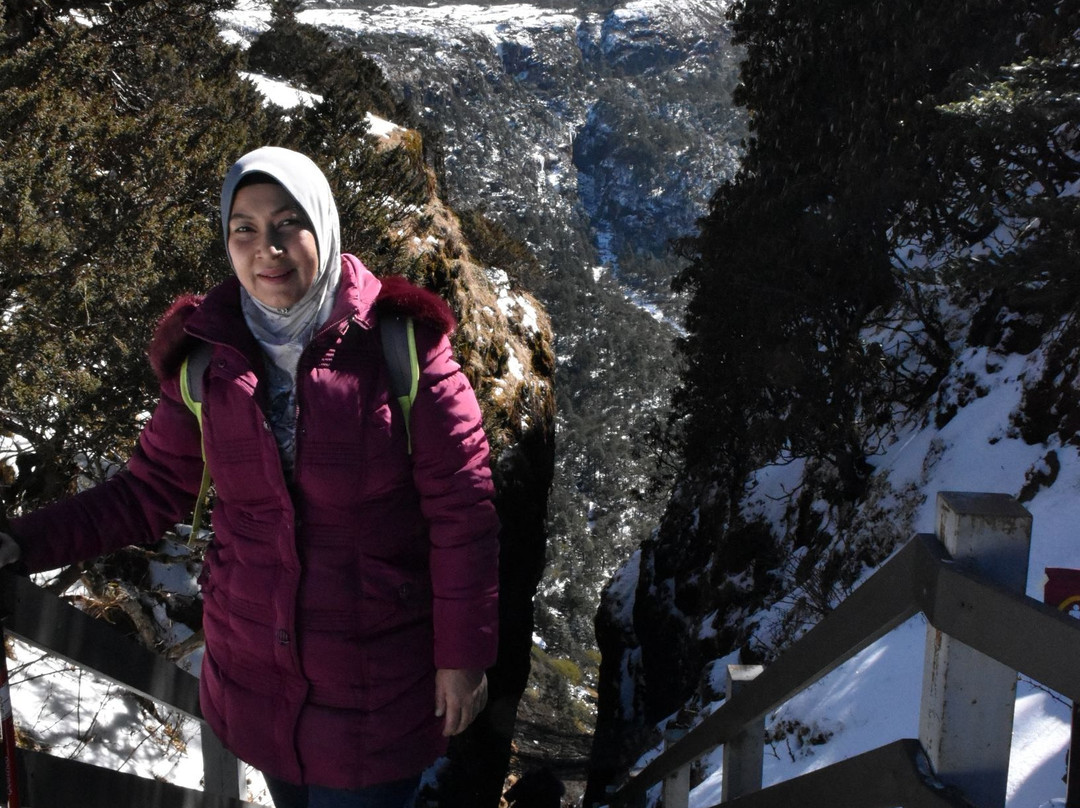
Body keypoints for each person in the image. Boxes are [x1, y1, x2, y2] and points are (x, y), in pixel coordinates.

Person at [0, 146, 500, 808]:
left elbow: (463, 514)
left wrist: (463, 658)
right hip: (256, 688)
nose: (268, 248)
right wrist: (20, 543)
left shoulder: (401, 349)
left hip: (378, 692)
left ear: (323, 225)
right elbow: (146, 494)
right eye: (245, 228)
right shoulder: (208, 360)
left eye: (288, 223)